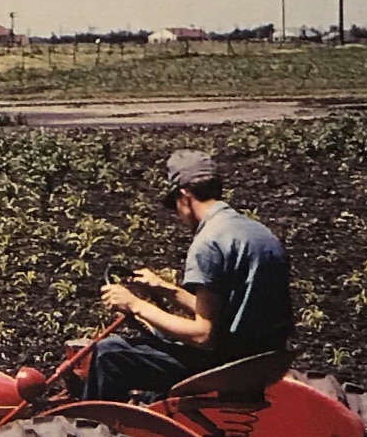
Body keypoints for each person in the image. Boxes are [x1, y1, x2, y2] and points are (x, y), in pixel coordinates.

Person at [83, 147, 292, 402]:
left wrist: (135, 305)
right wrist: (165, 290)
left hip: (225, 365)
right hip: (261, 359)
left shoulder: (208, 241)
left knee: (109, 354)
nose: (179, 215)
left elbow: (202, 334)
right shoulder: (258, 233)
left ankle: (100, 432)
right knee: (160, 336)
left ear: (184, 195)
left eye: (174, 205)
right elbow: (225, 311)